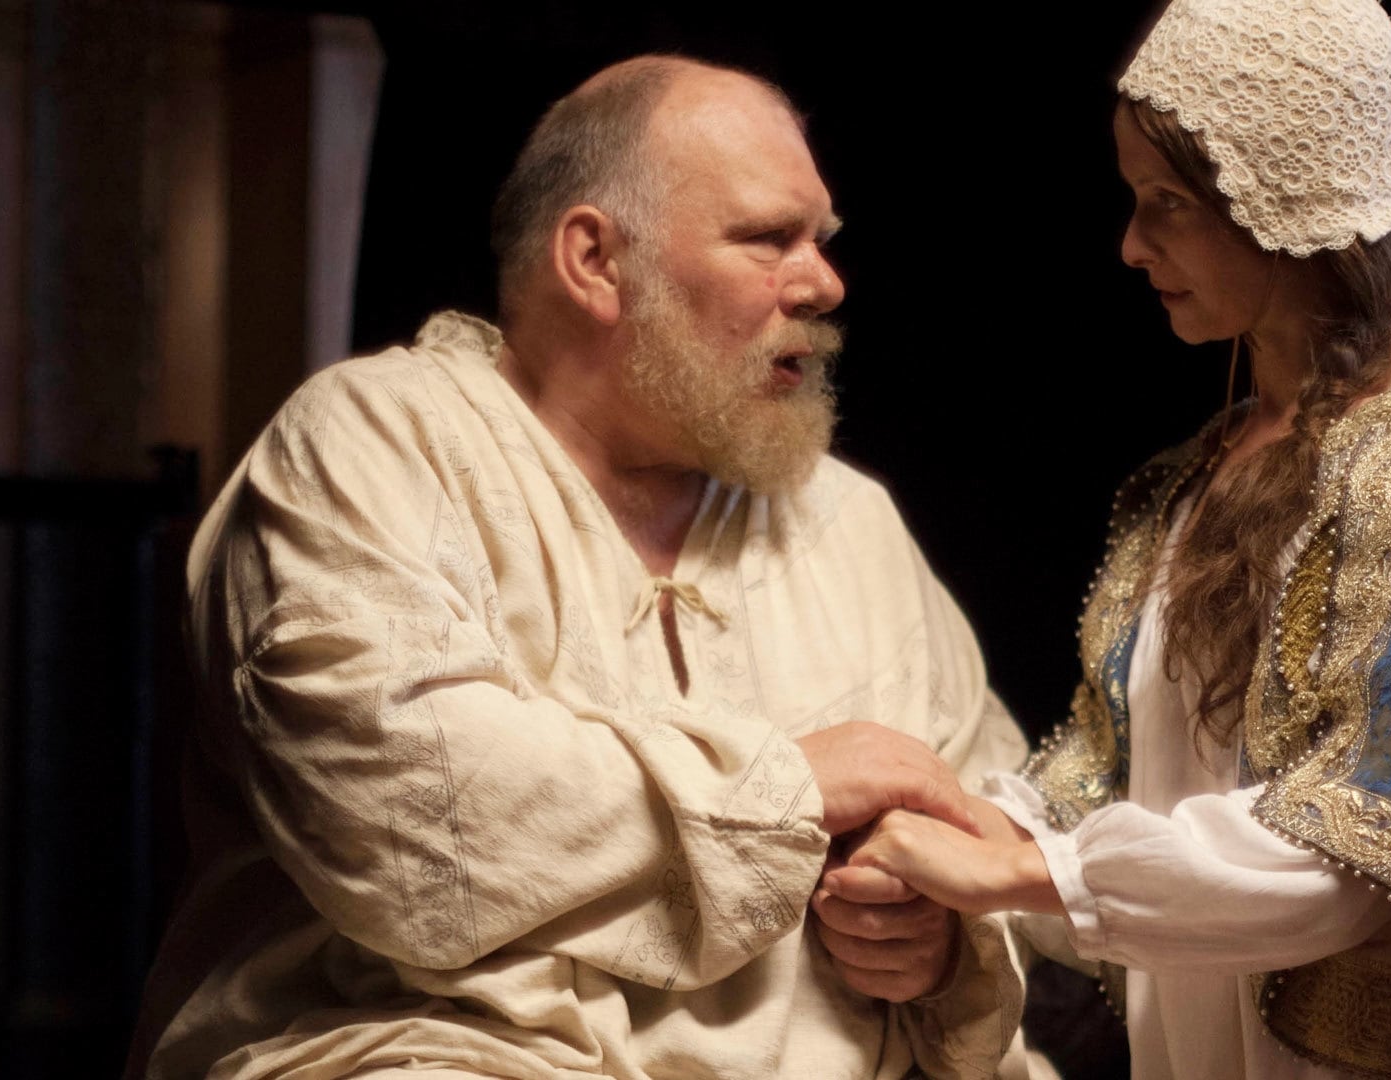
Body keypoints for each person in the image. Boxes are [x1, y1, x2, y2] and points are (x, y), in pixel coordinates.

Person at [125, 56, 1031, 1080]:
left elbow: (1000, 830)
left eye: (821, 240)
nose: (824, 282)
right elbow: (404, 815)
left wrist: (938, 942)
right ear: (595, 259)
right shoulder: (374, 443)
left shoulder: (844, 519)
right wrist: (788, 791)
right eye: (769, 238)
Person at [829, 1, 1391, 1077]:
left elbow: (1374, 845)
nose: (1132, 246)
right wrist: (961, 838)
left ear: (1286, 198)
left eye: (1168, 205)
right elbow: (1112, 791)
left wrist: (1023, 874)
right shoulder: (1188, 481)